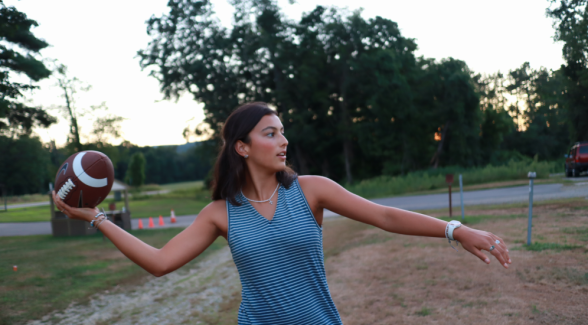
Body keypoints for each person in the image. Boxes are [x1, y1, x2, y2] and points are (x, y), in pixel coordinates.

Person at [53, 102, 511, 324]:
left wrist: (455, 229)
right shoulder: (219, 214)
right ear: (242, 146)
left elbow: (385, 216)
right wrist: (95, 217)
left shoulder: (311, 191)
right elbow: (159, 264)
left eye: (283, 132)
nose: (283, 141)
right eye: (270, 133)